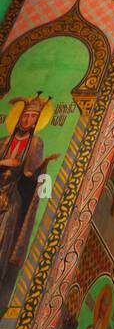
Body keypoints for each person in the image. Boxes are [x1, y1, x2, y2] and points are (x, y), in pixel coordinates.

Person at [0, 96, 57, 303]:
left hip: (11, 203)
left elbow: (30, 174)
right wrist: (6, 162)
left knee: (3, 241)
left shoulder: (36, 143)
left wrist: (43, 168)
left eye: (33, 117)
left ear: (36, 122)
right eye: (25, 116)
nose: (27, 120)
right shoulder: (4, 142)